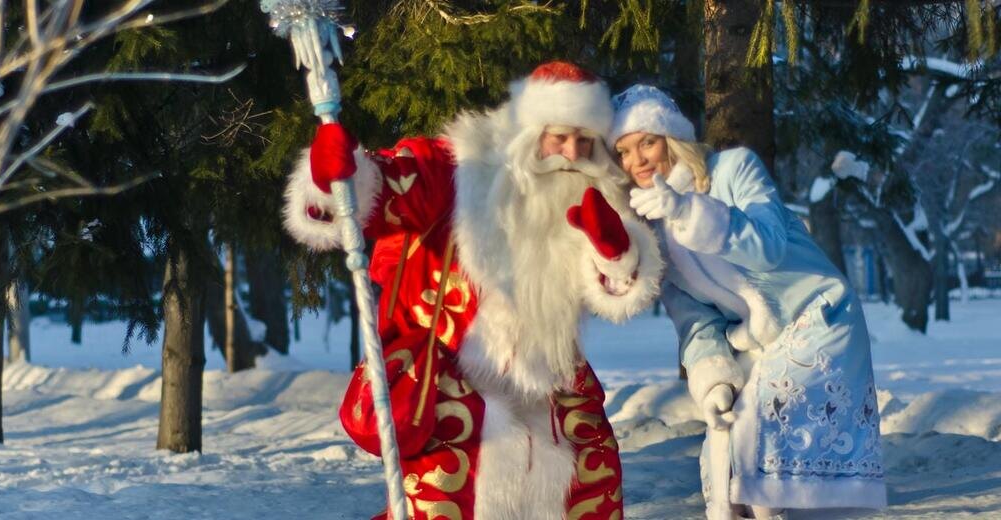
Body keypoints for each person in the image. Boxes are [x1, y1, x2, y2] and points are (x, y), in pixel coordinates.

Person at [283, 61, 665, 519]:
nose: (571, 153)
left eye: (585, 141)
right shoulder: (459, 167)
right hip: (451, 379)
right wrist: (338, 178)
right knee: (449, 497)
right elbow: (386, 189)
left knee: (589, 486)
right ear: (528, 131)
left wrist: (615, 252)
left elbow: (616, 288)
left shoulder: (591, 192)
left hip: (552, 381)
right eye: (559, 137)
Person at [608, 85, 886, 520]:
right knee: (727, 450)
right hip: (758, 341)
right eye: (623, 151)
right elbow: (695, 320)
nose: (637, 160)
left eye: (647, 142)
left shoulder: (734, 168)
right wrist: (713, 380)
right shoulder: (650, 233)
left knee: (760, 431)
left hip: (821, 315)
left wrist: (687, 211)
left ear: (672, 139)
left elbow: (770, 246)